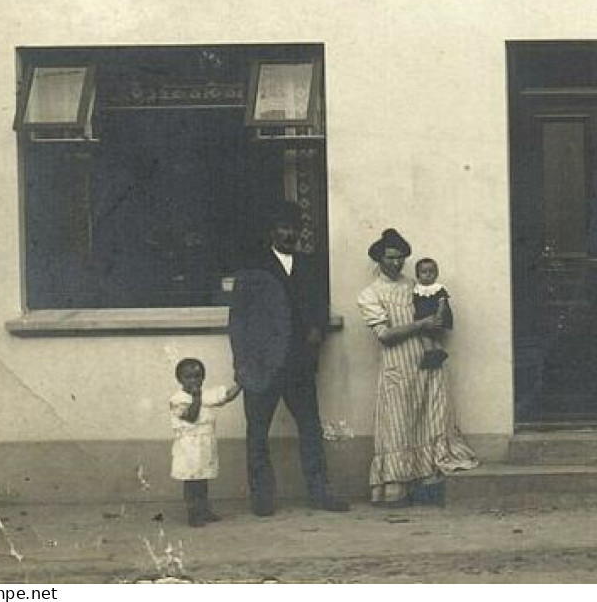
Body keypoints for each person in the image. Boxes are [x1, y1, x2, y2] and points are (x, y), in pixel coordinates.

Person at [227, 200, 349, 515]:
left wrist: (317, 330)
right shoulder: (253, 269)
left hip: (298, 364)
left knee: (310, 427)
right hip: (261, 364)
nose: (289, 233)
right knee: (257, 432)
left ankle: (319, 493)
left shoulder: (310, 265)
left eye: (294, 228)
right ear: (272, 231)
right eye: (283, 227)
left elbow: (320, 306)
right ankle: (262, 499)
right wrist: (241, 363)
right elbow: (238, 320)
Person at [357, 228, 479, 506]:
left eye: (400, 257)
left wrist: (439, 314)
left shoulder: (415, 286)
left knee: (427, 418)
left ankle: (426, 483)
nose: (396, 263)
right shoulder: (370, 294)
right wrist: (421, 325)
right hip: (397, 363)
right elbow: (385, 335)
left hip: (425, 361)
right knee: (397, 423)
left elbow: (437, 315)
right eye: (390, 257)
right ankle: (394, 487)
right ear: (379, 258)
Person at [168, 358, 241, 527]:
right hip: (188, 448)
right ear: (180, 379)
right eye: (189, 377)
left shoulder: (206, 395)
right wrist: (196, 398)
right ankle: (193, 513)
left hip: (205, 445)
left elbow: (227, 396)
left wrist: (241, 383)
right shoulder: (178, 399)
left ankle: (204, 509)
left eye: (198, 376)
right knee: (192, 481)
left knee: (203, 480)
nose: (194, 380)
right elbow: (192, 416)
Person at [410, 257, 452, 370]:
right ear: (418, 275)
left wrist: (439, 314)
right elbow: (414, 303)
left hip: (435, 316)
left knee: (429, 335)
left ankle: (429, 354)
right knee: (427, 335)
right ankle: (438, 352)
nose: (428, 275)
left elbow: (442, 302)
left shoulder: (438, 288)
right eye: (424, 272)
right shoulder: (416, 289)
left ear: (436, 274)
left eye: (431, 272)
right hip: (423, 316)